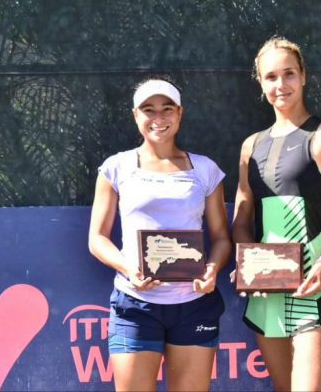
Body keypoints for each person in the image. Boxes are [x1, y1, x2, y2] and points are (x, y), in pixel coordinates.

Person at [232, 37, 321, 392]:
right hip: (265, 294)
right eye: (271, 77)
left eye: (289, 74)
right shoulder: (251, 146)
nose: (280, 84)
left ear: (303, 76)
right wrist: (249, 266)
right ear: (260, 83)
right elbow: (241, 217)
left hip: (316, 286)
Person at [88, 78, 232, 392]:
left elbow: (222, 238)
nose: (158, 117)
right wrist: (129, 270)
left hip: (195, 304)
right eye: (148, 110)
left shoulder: (206, 169)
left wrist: (211, 270)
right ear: (135, 115)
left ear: (180, 114)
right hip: (134, 305)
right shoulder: (116, 167)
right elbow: (97, 239)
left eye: (167, 109)